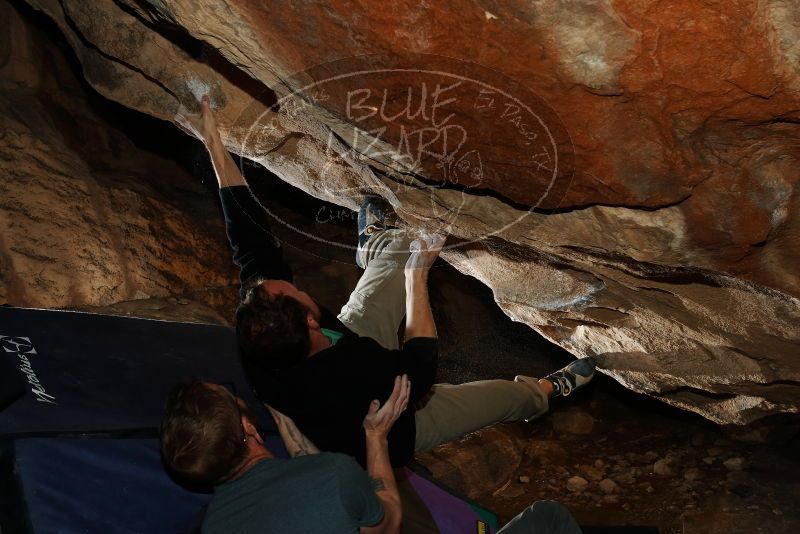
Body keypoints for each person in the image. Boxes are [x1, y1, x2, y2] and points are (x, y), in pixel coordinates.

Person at [175, 96, 597, 468]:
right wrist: (418, 276)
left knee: (401, 247)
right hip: (392, 420)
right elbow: (421, 359)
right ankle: (545, 390)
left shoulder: (260, 324)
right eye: (298, 295)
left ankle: (377, 246)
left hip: (352, 341)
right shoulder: (354, 381)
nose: (295, 285)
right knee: (501, 399)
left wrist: (211, 139)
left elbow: (249, 240)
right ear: (307, 322)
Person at [160, 375, 411, 534]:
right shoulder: (335, 472)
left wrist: (282, 417)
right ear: (248, 428)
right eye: (229, 395)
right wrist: (376, 436)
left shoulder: (214, 526)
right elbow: (389, 523)